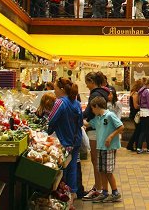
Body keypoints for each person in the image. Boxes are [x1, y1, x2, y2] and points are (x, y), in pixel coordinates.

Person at [47, 78, 82, 200]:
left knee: (63, 168)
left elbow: (51, 120)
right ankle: (72, 193)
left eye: (55, 88)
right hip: (76, 140)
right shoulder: (76, 103)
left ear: (61, 89)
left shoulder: (60, 102)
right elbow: (81, 122)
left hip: (64, 141)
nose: (54, 91)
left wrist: (47, 131)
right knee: (72, 166)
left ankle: (63, 193)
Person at [84, 96, 123, 203]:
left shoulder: (110, 115)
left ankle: (115, 192)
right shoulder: (98, 118)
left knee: (108, 171)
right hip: (100, 147)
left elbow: (121, 127)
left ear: (96, 106)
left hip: (109, 148)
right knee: (101, 170)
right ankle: (105, 192)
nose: (92, 111)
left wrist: (110, 137)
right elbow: (87, 124)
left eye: (92, 108)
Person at [81, 72, 110, 201]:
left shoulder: (95, 94)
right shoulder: (103, 92)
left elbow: (89, 111)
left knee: (96, 160)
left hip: (95, 130)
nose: (86, 85)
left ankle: (99, 189)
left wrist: (79, 116)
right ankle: (100, 187)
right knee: (98, 160)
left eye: (87, 82)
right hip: (100, 128)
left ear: (92, 81)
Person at [125, 79, 143, 152]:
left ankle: (134, 145)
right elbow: (136, 106)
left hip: (133, 113)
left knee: (137, 130)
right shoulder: (135, 94)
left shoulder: (132, 93)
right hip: (136, 114)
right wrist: (143, 106)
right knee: (137, 130)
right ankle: (130, 145)